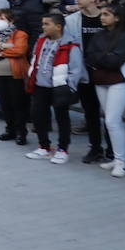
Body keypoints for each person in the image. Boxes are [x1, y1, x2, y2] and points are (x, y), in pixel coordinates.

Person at [24, 13, 85, 165]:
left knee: (62, 118)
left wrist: (68, 87)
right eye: (43, 23)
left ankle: (62, 149)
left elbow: (76, 69)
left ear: (58, 26)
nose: (43, 27)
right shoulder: (41, 40)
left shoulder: (70, 45)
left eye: (46, 24)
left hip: (59, 88)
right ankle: (44, 147)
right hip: (40, 85)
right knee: (38, 115)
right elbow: (35, 58)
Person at [84, 3, 125, 177]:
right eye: (102, 14)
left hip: (119, 81)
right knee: (110, 120)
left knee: (112, 121)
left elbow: (116, 61)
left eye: (107, 14)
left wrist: (101, 58)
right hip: (101, 81)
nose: (102, 17)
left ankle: (122, 161)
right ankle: (120, 158)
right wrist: (105, 56)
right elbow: (89, 56)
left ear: (117, 17)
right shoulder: (99, 35)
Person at [65, 0, 108, 164]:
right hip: (84, 72)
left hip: (107, 73)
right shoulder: (72, 20)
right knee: (90, 113)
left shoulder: (107, 17)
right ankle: (95, 148)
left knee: (110, 115)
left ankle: (114, 151)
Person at [0, 7, 30, 144]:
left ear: (11, 21)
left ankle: (21, 131)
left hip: (15, 74)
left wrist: (0, 50)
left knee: (18, 103)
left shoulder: (20, 34)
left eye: (2, 19)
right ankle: (10, 129)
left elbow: (20, 50)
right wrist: (6, 46)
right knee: (5, 103)